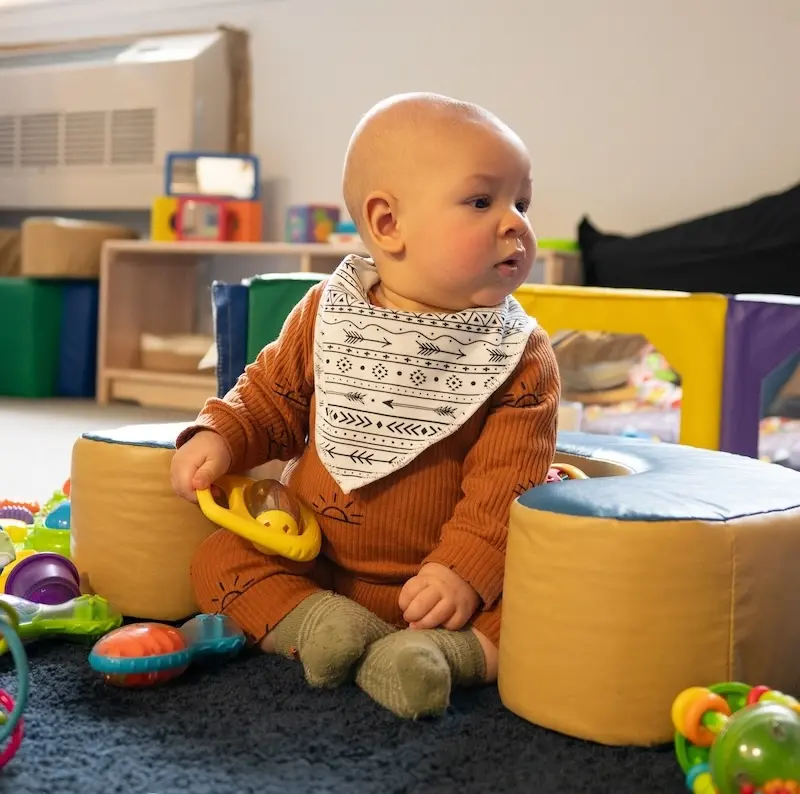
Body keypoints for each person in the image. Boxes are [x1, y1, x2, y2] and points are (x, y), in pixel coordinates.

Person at [170, 92, 561, 719]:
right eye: (483, 201)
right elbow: (271, 397)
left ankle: (435, 658)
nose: (515, 222)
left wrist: (462, 572)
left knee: (541, 610)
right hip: (316, 557)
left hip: (443, 592)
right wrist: (221, 435)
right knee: (218, 560)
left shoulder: (519, 355)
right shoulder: (331, 311)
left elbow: (507, 485)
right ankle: (317, 625)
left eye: (523, 202)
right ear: (387, 224)